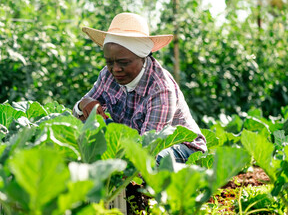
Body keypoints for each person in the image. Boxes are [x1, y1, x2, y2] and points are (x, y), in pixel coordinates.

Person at [73, 12, 207, 164]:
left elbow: (148, 149)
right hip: (134, 141)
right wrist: (82, 105)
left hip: (178, 147)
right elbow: (79, 115)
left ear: (143, 57)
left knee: (154, 162)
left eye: (124, 62)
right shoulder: (107, 74)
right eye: (110, 61)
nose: (115, 69)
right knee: (83, 131)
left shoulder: (161, 89)